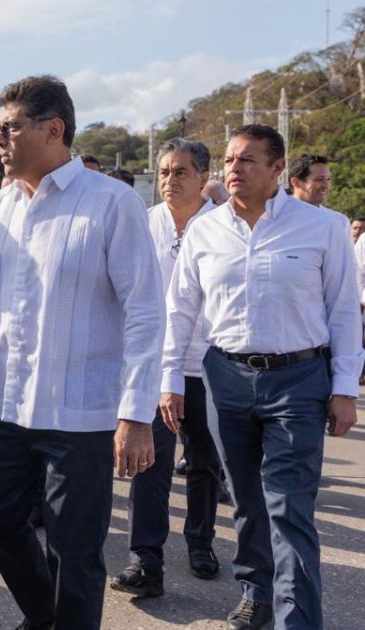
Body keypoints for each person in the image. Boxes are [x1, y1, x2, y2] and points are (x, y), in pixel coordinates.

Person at [0, 75, 162, 630]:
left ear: (54, 129)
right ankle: (45, 616)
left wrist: (136, 414)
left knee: (76, 551)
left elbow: (145, 310)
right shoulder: (0, 208)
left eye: (10, 126)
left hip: (81, 412)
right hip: (4, 404)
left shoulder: (111, 203)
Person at [162, 124, 362, 630]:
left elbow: (343, 313)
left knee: (289, 503)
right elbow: (180, 311)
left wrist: (343, 388)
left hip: (298, 379)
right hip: (225, 379)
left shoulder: (324, 227)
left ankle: (298, 619)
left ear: (277, 169)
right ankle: (256, 589)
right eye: (230, 160)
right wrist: (168, 379)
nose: (234, 170)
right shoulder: (206, 231)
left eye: (247, 161)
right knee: (248, 499)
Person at [108, 138, 222, 600]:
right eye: (163, 172)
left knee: (204, 462)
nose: (170, 181)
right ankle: (145, 558)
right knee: (148, 463)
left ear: (202, 177)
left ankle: (200, 542)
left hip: (209, 364)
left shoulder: (222, 227)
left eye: (180, 172)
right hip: (154, 365)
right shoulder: (143, 222)